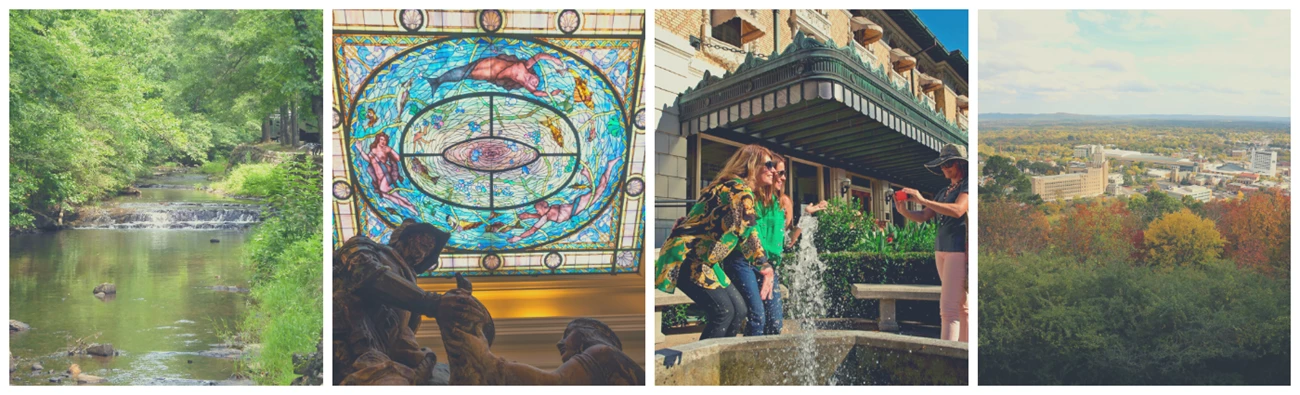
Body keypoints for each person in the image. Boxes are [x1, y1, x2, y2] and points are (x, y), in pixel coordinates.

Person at [654, 144, 778, 340]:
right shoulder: (739, 190)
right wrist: (764, 266)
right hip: (687, 257)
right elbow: (748, 231)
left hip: (705, 262)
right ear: (751, 165)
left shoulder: (733, 188)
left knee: (739, 310)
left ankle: (724, 358)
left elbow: (704, 219)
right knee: (723, 312)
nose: (774, 171)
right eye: (769, 165)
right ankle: (706, 359)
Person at [893, 143, 969, 342]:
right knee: (960, 305)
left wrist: (923, 200)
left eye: (949, 164)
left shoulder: (967, 186)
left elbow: (958, 210)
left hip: (957, 249)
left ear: (960, 163)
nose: (944, 168)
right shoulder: (943, 191)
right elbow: (924, 216)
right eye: (942, 165)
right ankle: (963, 349)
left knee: (948, 309)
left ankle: (946, 354)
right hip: (941, 249)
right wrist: (904, 211)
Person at [723, 155, 787, 336]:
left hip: (766, 264)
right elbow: (749, 233)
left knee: (775, 322)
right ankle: (748, 354)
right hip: (746, 260)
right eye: (780, 172)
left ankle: (767, 353)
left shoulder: (778, 202)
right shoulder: (748, 197)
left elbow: (782, 238)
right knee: (757, 317)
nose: (782, 177)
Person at [425, 53, 565, 98]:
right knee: (466, 69)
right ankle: (437, 80)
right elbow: (539, 56)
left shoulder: (524, 83)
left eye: (535, 84)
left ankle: (438, 81)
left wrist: (550, 94)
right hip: (493, 62)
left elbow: (536, 93)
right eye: (536, 80)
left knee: (466, 73)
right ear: (534, 75)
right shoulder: (526, 66)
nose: (534, 82)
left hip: (491, 74)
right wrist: (554, 60)